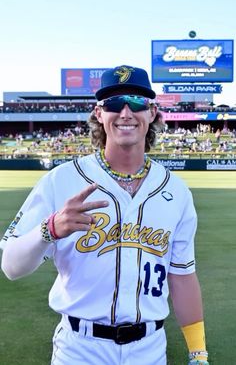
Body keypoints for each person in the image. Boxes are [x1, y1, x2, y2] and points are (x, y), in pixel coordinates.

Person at [0, 65, 208, 365]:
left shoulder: (176, 191)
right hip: (80, 349)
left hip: (149, 350)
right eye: (113, 103)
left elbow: (182, 276)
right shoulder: (62, 180)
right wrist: (50, 229)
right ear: (99, 113)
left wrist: (198, 352)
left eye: (136, 102)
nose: (125, 113)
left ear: (152, 113)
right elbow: (11, 267)